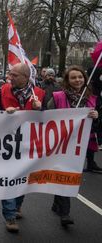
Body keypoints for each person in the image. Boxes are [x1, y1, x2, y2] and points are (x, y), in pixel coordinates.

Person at [0, 63, 45, 233]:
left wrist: (41, 109)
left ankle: (17, 205)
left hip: (29, 144)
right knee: (9, 178)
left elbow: (52, 119)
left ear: (25, 77)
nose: (10, 78)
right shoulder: (3, 90)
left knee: (23, 178)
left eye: (14, 75)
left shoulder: (40, 94)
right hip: (7, 143)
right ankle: (10, 216)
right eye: (10, 74)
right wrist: (3, 113)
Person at [46, 65, 100, 226]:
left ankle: (57, 204)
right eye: (73, 78)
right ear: (67, 81)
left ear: (84, 79)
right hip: (60, 143)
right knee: (66, 174)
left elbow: (97, 127)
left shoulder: (92, 98)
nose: (77, 80)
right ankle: (65, 212)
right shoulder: (58, 97)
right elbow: (46, 117)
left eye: (80, 77)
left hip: (80, 145)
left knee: (67, 174)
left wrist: (96, 117)